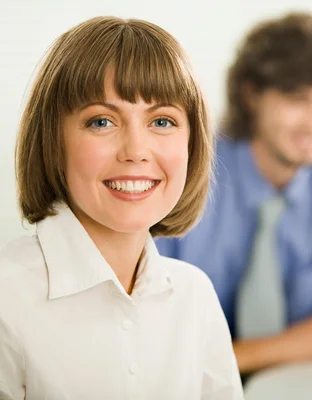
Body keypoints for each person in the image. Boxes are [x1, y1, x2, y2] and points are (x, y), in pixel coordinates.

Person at [0, 16, 243, 399]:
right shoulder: (7, 296)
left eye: (162, 121)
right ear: (52, 140)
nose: (135, 151)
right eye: (101, 122)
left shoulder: (194, 296)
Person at [156, 12, 312, 374]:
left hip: (290, 382)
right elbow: (149, 316)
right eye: (298, 100)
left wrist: (226, 362)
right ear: (251, 96)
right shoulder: (188, 170)